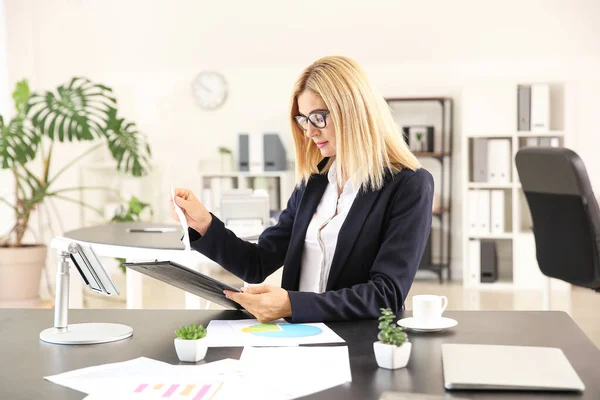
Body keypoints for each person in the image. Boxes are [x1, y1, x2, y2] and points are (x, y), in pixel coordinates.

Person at [170, 56, 433, 323]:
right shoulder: (314, 182)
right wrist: (203, 224)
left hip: (360, 343)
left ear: (353, 111)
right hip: (298, 337)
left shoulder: (409, 186)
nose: (309, 132)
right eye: (304, 119)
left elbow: (386, 295)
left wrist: (291, 305)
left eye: (318, 117)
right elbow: (258, 263)